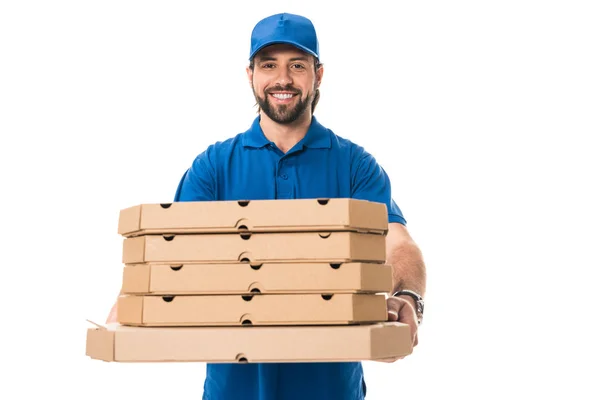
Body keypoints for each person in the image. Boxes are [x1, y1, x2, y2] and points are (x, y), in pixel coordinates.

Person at [107, 12, 427, 400]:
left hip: (329, 390)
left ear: (318, 75)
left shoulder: (354, 164)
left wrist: (408, 297)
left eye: (297, 65)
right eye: (269, 65)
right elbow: (174, 257)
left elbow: (396, 241)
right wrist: (131, 305)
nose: (283, 79)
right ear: (251, 75)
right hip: (233, 390)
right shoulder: (214, 165)